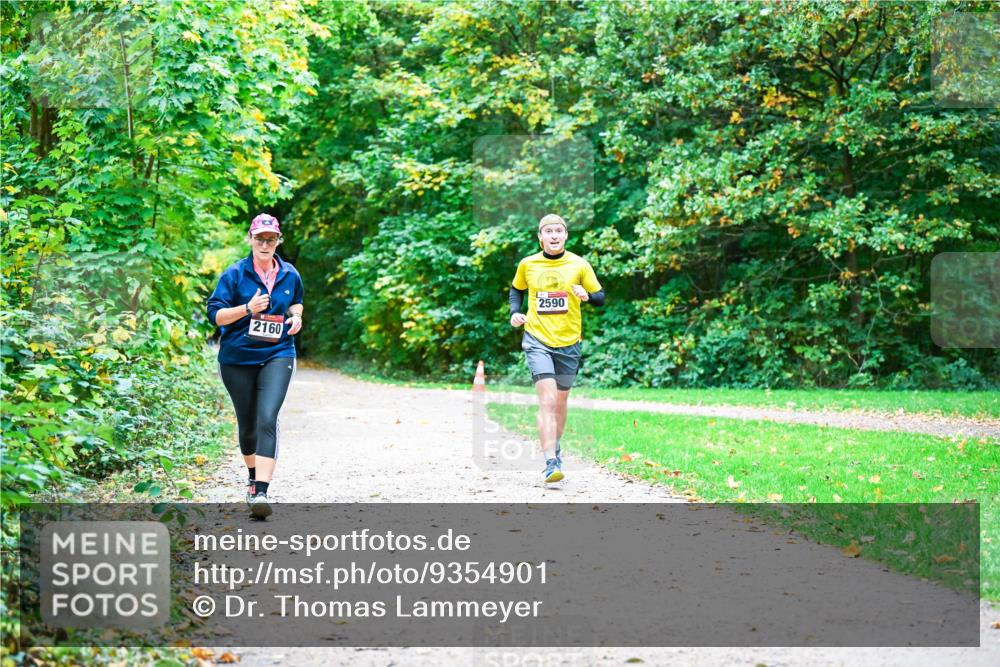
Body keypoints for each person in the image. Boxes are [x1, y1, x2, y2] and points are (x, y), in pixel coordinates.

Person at [207, 213, 304, 518]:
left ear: (278, 241)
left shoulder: (290, 274)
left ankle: (261, 491)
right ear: (250, 239)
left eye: (271, 239)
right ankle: (252, 478)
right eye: (260, 238)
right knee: (248, 425)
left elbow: (296, 301)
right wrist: (247, 308)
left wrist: (296, 317)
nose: (265, 244)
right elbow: (216, 316)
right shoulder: (234, 275)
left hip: (278, 353)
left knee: (267, 416)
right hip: (237, 358)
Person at [509, 214, 605, 483]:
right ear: (540, 236)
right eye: (548, 231)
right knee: (548, 400)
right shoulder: (528, 264)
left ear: (565, 235)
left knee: (561, 401)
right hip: (537, 339)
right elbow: (516, 290)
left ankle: (556, 448)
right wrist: (515, 312)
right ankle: (550, 461)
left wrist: (587, 296)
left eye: (558, 231)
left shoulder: (579, 264)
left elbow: (600, 297)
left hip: (569, 343)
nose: (553, 235)